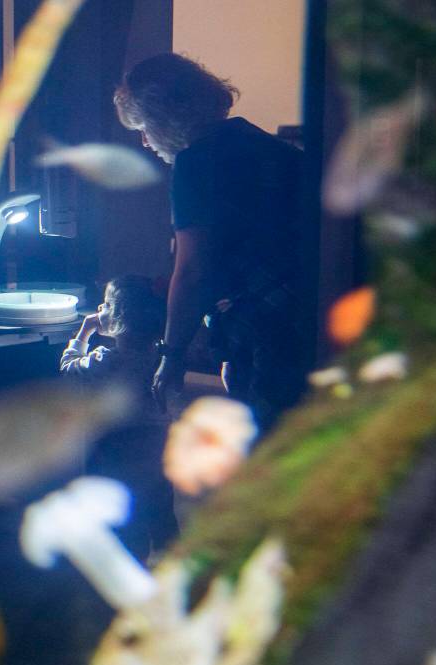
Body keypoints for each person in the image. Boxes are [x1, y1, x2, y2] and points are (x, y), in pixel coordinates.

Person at [114, 53, 312, 429]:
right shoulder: (263, 144)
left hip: (268, 329)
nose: (143, 141)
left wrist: (172, 357)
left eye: (142, 127)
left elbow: (192, 271)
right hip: (307, 319)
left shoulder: (196, 163)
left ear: (162, 117)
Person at [60, 275, 177, 555]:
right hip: (158, 447)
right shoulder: (162, 359)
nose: (100, 309)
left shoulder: (106, 360)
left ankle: (129, 565)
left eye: (106, 305)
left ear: (119, 317)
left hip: (118, 450)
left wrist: (84, 332)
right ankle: (172, 560)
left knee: (125, 519)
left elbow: (67, 368)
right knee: (161, 510)